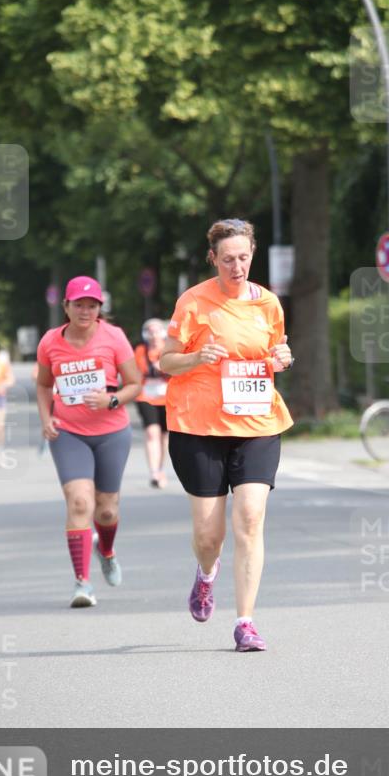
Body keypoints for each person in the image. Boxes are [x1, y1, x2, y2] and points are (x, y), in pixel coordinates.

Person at [159, 218, 294, 652]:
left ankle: (246, 622)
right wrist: (197, 356)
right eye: (228, 259)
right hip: (199, 425)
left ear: (252, 254)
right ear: (213, 258)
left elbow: (275, 353)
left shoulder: (269, 304)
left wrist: (283, 358)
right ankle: (205, 574)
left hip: (256, 422)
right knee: (208, 536)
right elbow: (166, 361)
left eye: (244, 257)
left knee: (251, 517)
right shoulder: (194, 302)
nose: (237, 267)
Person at [36, 276, 142, 608]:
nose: (85, 311)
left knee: (107, 510)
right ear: (65, 306)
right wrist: (45, 417)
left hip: (111, 431)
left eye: (92, 305)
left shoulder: (114, 337)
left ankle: (106, 550)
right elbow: (42, 385)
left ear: (100, 308)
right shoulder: (51, 342)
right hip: (69, 432)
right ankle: (83, 583)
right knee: (80, 503)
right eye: (79, 305)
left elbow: (135, 384)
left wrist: (111, 400)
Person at [134, 318, 170, 488]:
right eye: (150, 331)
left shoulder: (170, 349)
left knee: (164, 436)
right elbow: (136, 371)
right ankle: (154, 471)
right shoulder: (140, 351)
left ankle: (160, 468)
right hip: (146, 396)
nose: (154, 335)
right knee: (151, 433)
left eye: (156, 331)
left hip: (168, 397)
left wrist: (165, 366)